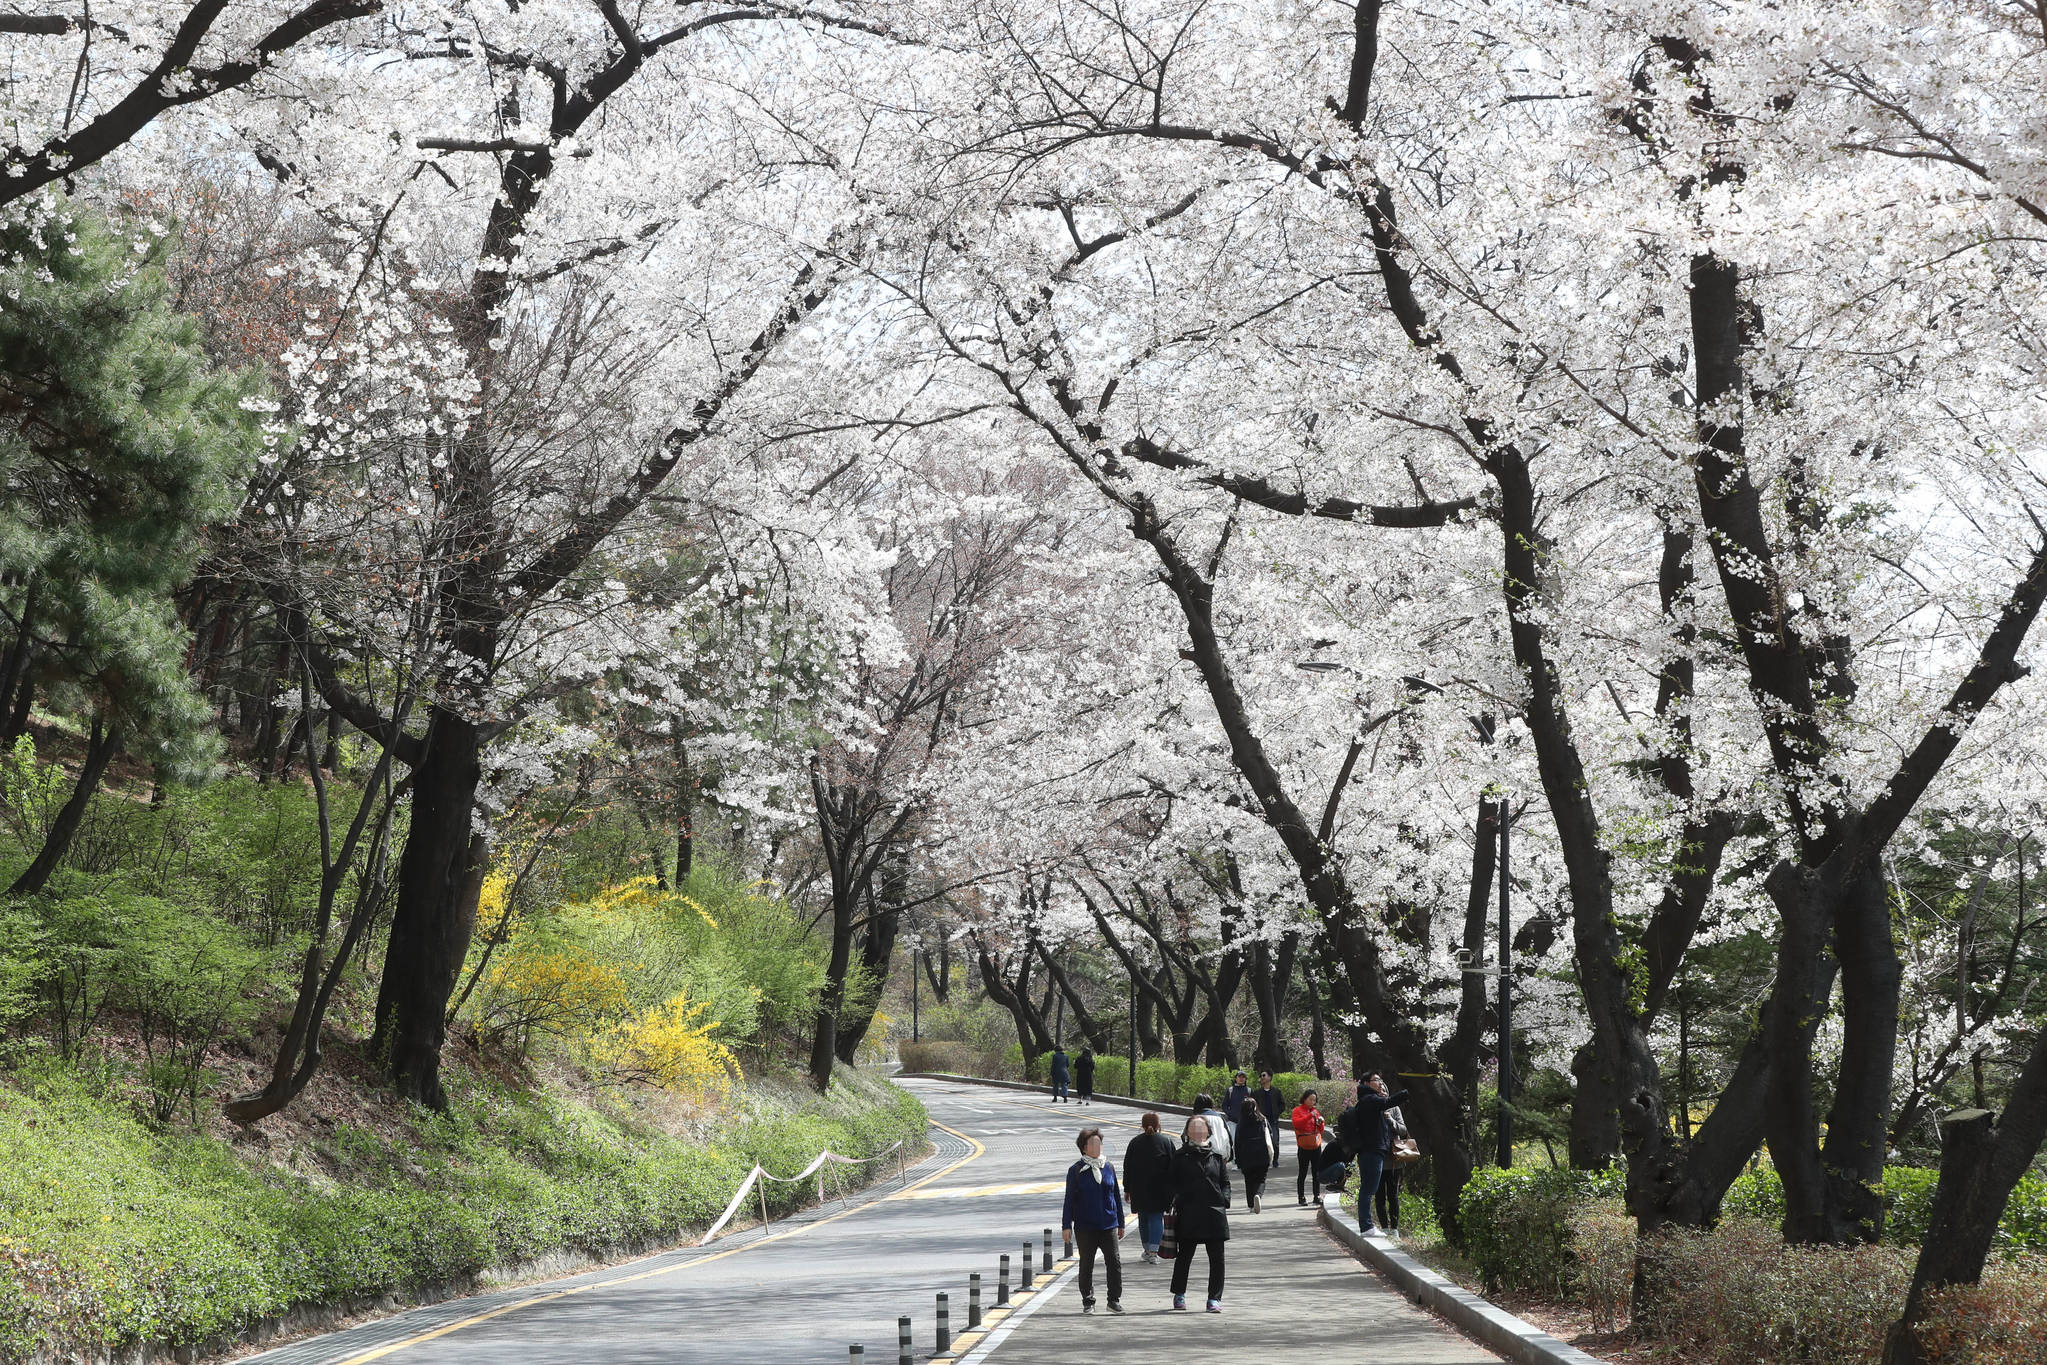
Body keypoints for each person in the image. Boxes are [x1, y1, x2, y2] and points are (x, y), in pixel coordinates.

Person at [1169, 1114, 1231, 1312]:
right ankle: (1179, 1294)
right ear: (1187, 1132)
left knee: (1217, 1260)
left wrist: (1224, 1199)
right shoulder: (1179, 1157)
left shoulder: (1216, 1157)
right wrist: (1177, 1200)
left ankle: (1214, 1299)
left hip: (1214, 1214)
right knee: (1184, 1257)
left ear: (1208, 1132)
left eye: (1201, 1128)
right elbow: (1170, 1184)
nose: (1197, 1132)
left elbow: (1225, 1183)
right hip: (1189, 1214)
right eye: (1193, 1128)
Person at [1062, 1126, 1126, 1314]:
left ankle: (1113, 1300)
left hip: (1108, 1224)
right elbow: (1069, 1200)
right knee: (1086, 1264)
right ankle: (1088, 1301)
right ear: (1084, 1147)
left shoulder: (1109, 1167)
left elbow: (1115, 1195)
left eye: (1099, 1143)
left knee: (1114, 1262)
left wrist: (1121, 1222)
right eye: (1093, 1143)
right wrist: (1066, 1226)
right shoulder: (1076, 1170)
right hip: (1085, 1226)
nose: (1097, 1146)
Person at [1339, 1073, 1410, 1234]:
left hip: (1370, 1151)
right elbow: (1390, 1101)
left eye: (1380, 1080)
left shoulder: (1366, 1100)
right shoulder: (1370, 1100)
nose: (1379, 1083)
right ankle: (1367, 1226)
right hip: (1372, 1151)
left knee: (1369, 1189)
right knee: (1369, 1190)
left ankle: (1368, 1226)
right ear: (1366, 1083)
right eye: (1376, 1080)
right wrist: (1407, 1090)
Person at [1123, 1113, 1176, 1263]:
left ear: (1142, 1125)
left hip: (1139, 1188)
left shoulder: (1134, 1142)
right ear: (1159, 1125)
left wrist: (1127, 1188)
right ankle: (1154, 1252)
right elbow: (1173, 1167)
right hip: (1160, 1188)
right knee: (1156, 1218)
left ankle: (1146, 1249)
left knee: (1143, 1219)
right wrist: (1173, 1190)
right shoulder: (1166, 1142)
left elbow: (1128, 1167)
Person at [1233, 1096, 1274, 1213]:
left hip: (1246, 1156)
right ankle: (1258, 1195)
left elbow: (1237, 1142)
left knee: (1249, 1180)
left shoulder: (1241, 1123)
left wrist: (1238, 1159)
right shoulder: (1263, 1120)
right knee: (1261, 1179)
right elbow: (1270, 1136)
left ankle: (1251, 1205)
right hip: (1262, 1154)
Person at [1376, 1101, 1409, 1235]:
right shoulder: (1370, 1108)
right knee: (1379, 1196)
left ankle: (1394, 1229)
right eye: (1379, 1090)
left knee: (1393, 1195)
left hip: (1393, 1160)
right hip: (1376, 1159)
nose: (1382, 1092)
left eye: (1384, 1090)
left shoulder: (1394, 1108)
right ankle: (1384, 1227)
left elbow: (1403, 1130)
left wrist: (1390, 1119)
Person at [1290, 1088, 1328, 1205]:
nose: (1312, 1102)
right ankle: (1301, 1197)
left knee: (1316, 1172)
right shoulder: (1297, 1110)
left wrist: (1321, 1122)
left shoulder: (1315, 1112)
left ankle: (1316, 1195)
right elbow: (1297, 1124)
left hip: (1315, 1145)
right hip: (1304, 1145)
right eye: (1310, 1099)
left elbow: (1320, 1131)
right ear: (1305, 1099)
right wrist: (1308, 1116)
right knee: (1303, 1172)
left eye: (1314, 1100)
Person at [1190, 1092, 1233, 1161]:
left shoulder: (1195, 1119)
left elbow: (1186, 1137)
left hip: (1199, 1157)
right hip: (1219, 1156)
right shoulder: (1220, 1118)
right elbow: (1228, 1137)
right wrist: (1228, 1156)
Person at [1219, 1070, 1251, 1141]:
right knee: (1232, 1141)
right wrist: (1230, 1114)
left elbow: (1253, 1106)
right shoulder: (1230, 1090)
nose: (1241, 1079)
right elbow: (1224, 1105)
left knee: (1243, 1143)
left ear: (1245, 1079)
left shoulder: (1249, 1091)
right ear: (1236, 1078)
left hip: (1245, 1122)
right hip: (1232, 1122)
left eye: (1243, 1077)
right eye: (1239, 1077)